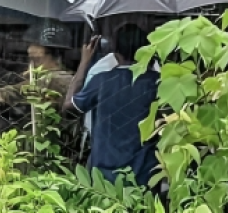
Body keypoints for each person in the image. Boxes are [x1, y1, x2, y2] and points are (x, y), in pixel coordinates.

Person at [64, 24, 159, 188]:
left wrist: (84, 63)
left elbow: (68, 107)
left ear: (115, 53)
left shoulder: (102, 81)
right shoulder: (157, 83)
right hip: (145, 175)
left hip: (104, 177)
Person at [0, 25, 74, 107]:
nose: (28, 50)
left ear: (42, 50)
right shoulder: (64, 77)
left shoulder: (48, 81)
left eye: (33, 44)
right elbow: (12, 79)